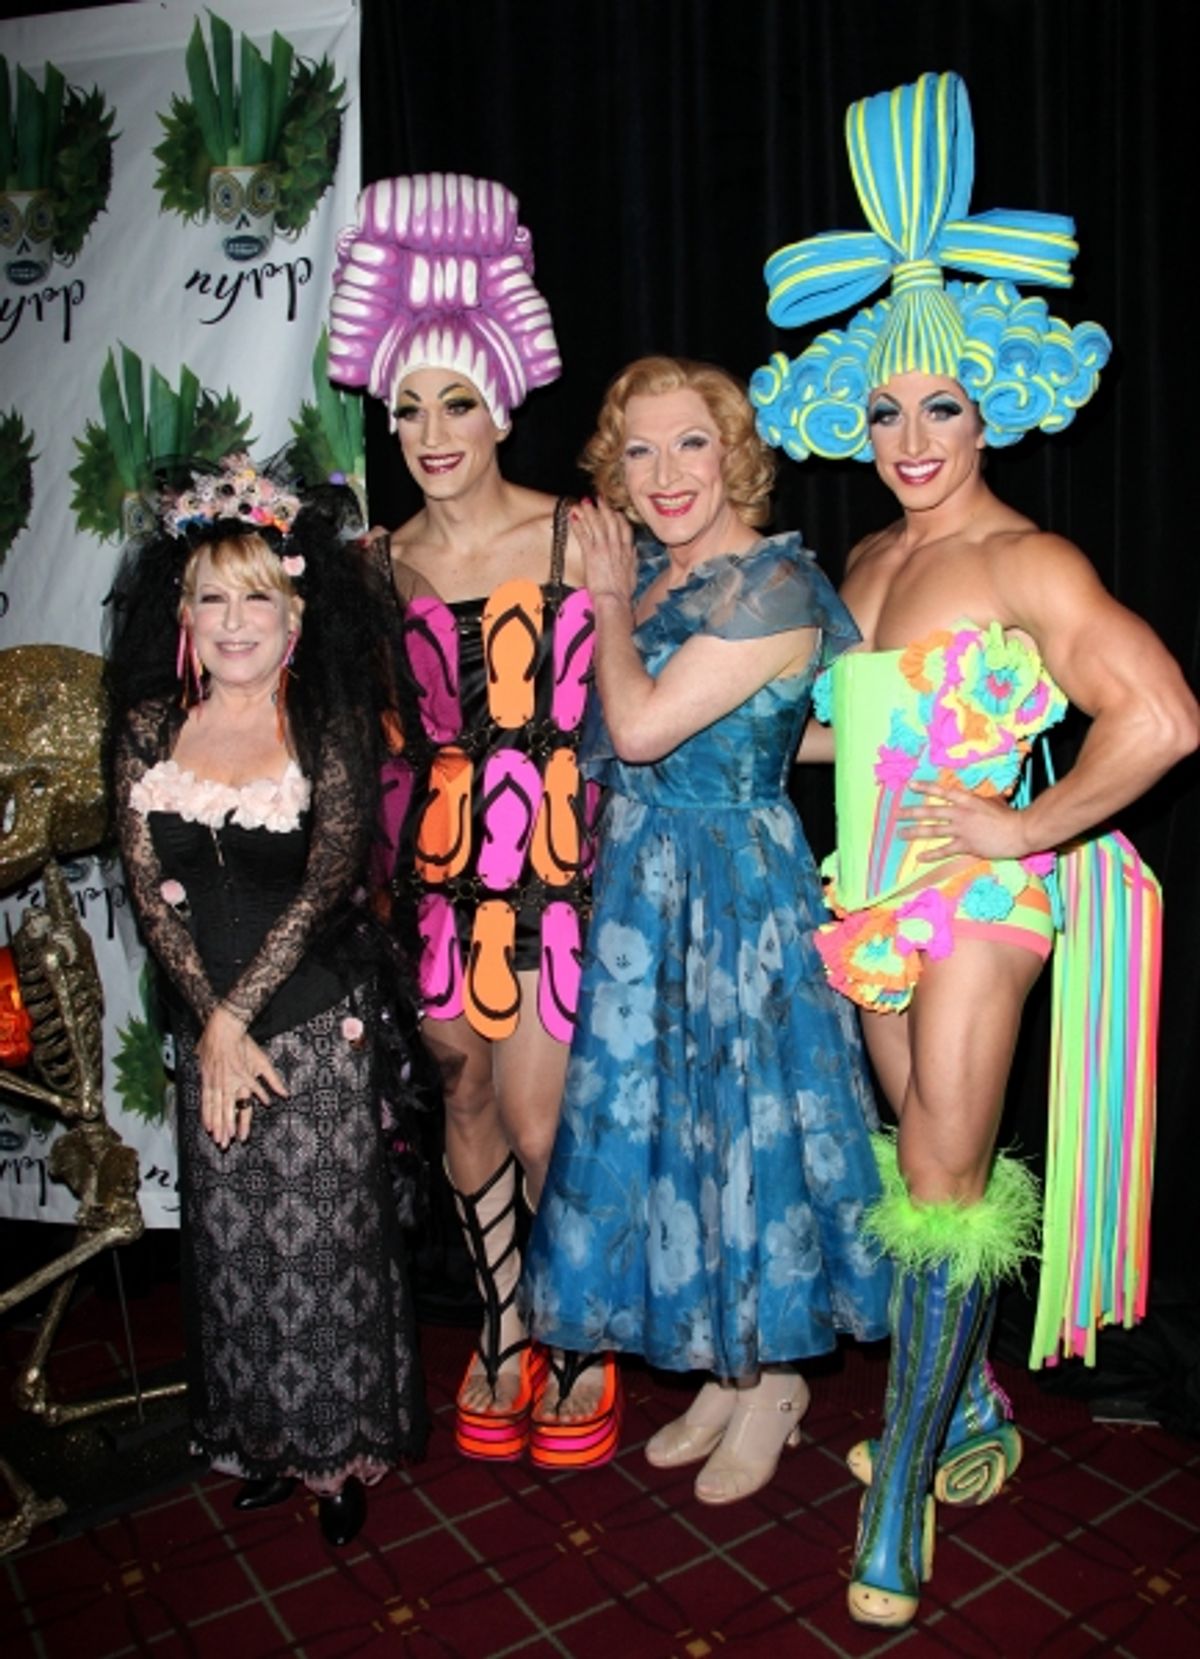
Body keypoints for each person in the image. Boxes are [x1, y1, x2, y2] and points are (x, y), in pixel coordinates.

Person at [751, 70, 1200, 1626]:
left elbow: (1160, 716)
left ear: (991, 398)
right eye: (881, 405)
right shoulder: (865, 557)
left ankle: (902, 1491)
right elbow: (833, 736)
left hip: (983, 896)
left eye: (939, 402)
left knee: (942, 1176)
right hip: (865, 894)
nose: (909, 433)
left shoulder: (1026, 554)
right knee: (911, 1163)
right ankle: (978, 1401)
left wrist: (1023, 820)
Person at [522, 355, 892, 1503]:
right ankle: (728, 1371)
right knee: (682, 1134)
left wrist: (601, 605)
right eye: (639, 449)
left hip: (734, 892)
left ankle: (777, 1374)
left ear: (735, 453)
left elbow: (634, 727)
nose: (667, 471)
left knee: (752, 1126)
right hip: (646, 889)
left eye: (691, 442)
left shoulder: (768, 586)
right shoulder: (659, 577)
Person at [327, 172, 616, 1467]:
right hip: (437, 869)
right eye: (407, 407)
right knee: (465, 1101)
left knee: (548, 1117)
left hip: (557, 857)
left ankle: (583, 1332)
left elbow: (647, 693)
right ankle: (504, 1328)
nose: (432, 429)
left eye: (455, 401)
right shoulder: (375, 564)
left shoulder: (578, 532)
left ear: (501, 401)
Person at [107, 456, 426, 1548]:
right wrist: (209, 1022)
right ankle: (264, 1443)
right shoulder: (150, 726)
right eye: (212, 595)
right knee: (237, 1252)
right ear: (183, 614)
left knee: (326, 1255)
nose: (234, 619)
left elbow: (330, 876)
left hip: (312, 1032)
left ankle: (338, 1456)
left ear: (297, 611)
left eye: (258, 595)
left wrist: (234, 1020)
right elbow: (147, 889)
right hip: (212, 1039)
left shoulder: (325, 723)